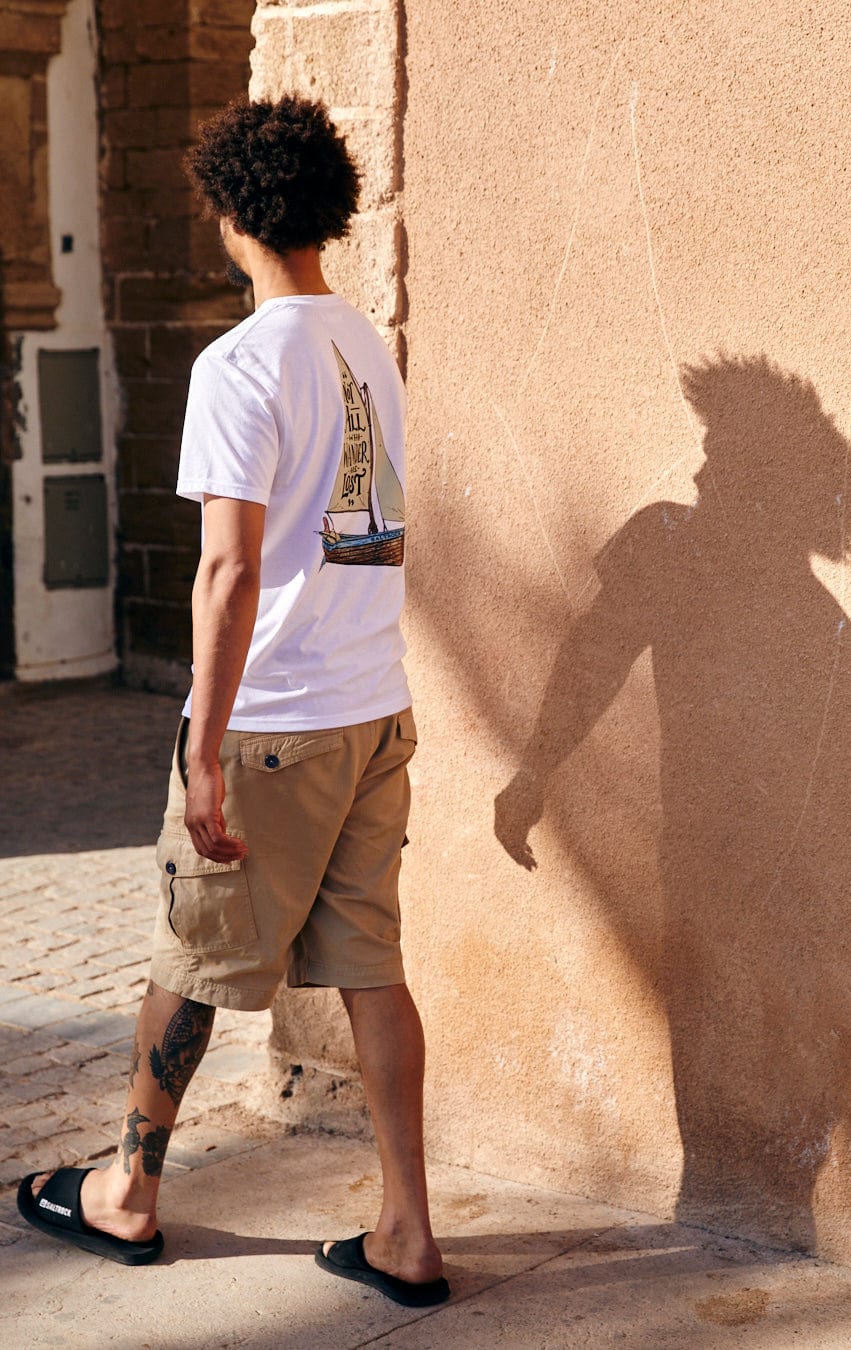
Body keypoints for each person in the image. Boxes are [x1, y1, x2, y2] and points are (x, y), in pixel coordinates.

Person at [17, 96, 449, 1308]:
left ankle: (127, 1195)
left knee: (192, 956)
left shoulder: (243, 361)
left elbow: (228, 568)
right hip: (375, 708)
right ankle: (408, 1232)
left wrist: (202, 750)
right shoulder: (365, 343)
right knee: (372, 966)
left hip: (279, 721)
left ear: (229, 213)